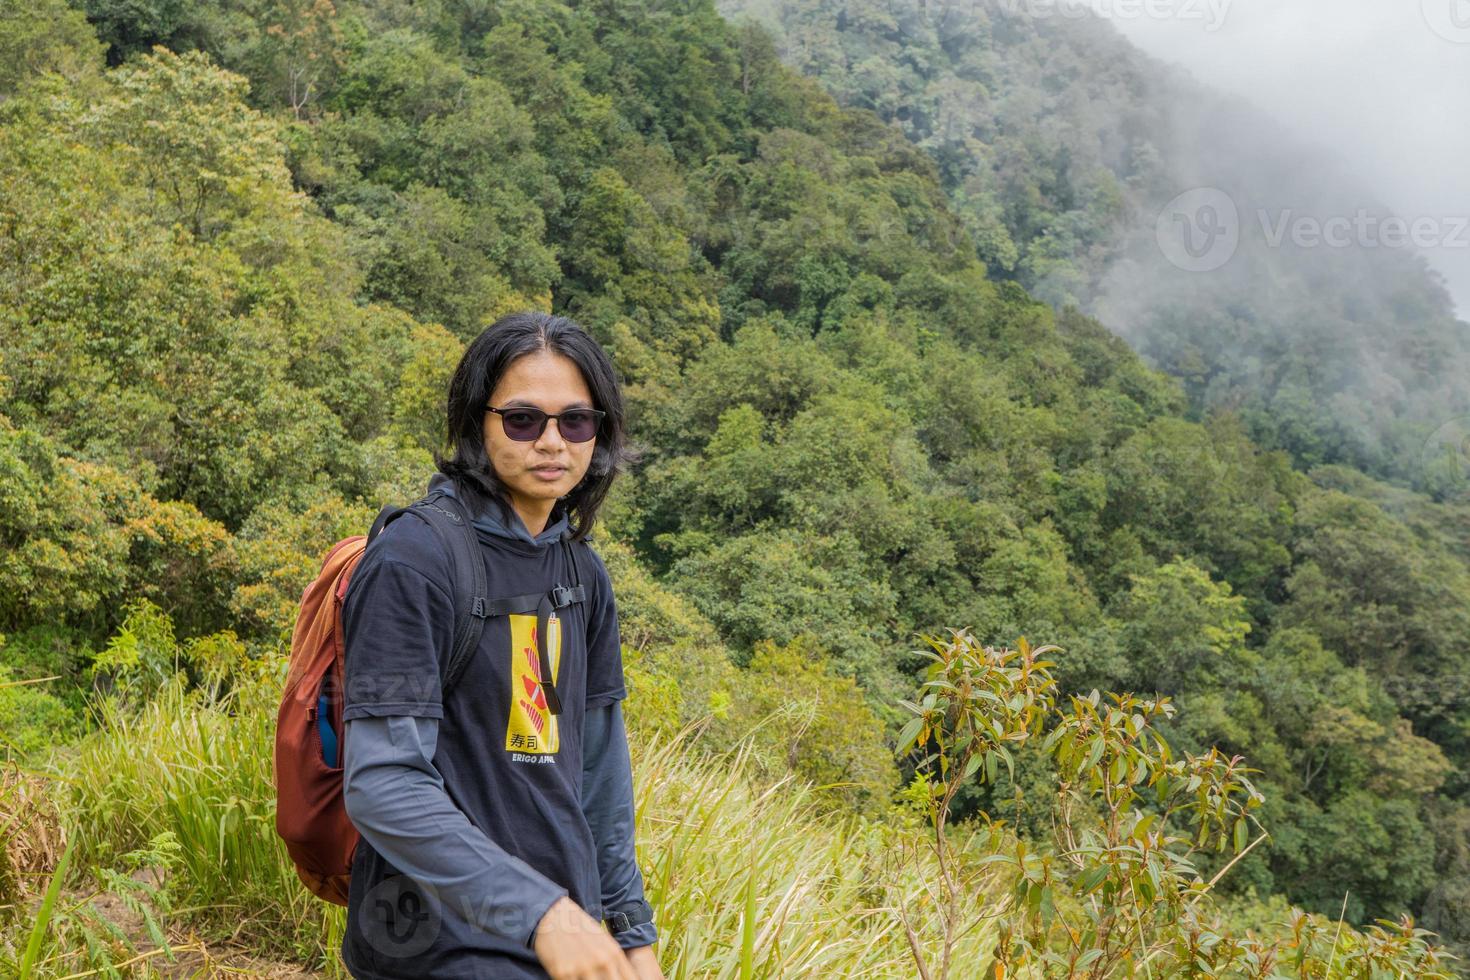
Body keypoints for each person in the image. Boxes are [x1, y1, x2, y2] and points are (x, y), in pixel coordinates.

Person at [338, 312, 663, 980]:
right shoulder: (415, 559)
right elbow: (382, 782)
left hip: (556, 936)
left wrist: (631, 932)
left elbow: (600, 776)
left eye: (575, 421)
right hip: (435, 941)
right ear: (478, 425)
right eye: (522, 420)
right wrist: (541, 912)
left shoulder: (580, 573)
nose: (552, 442)